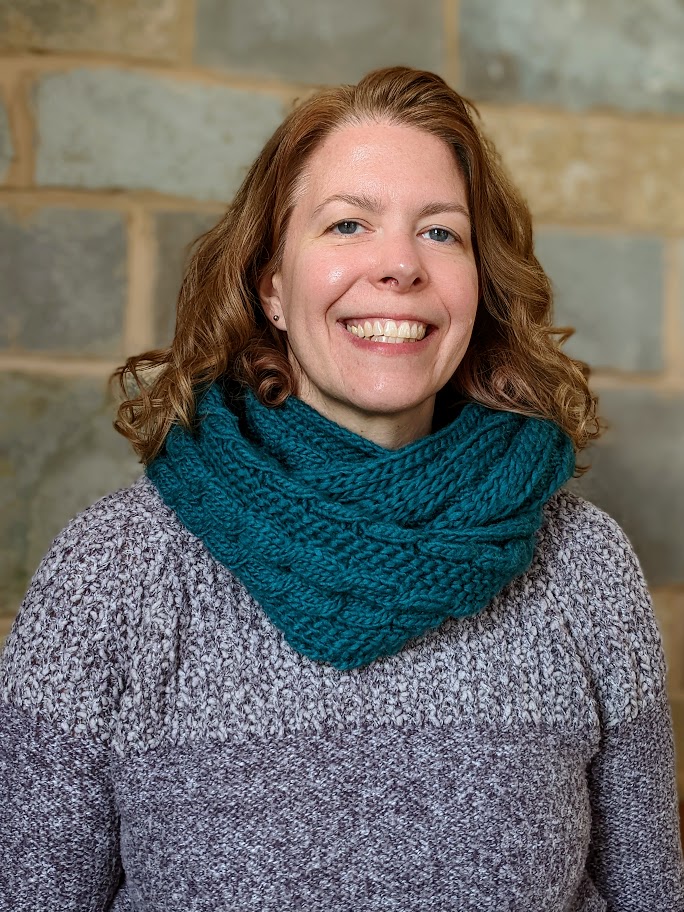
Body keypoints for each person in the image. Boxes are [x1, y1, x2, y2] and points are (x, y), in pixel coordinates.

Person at [0, 66, 682, 912]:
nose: (398, 265)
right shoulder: (112, 572)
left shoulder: (583, 563)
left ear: (480, 285)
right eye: (348, 223)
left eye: (441, 233)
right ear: (273, 287)